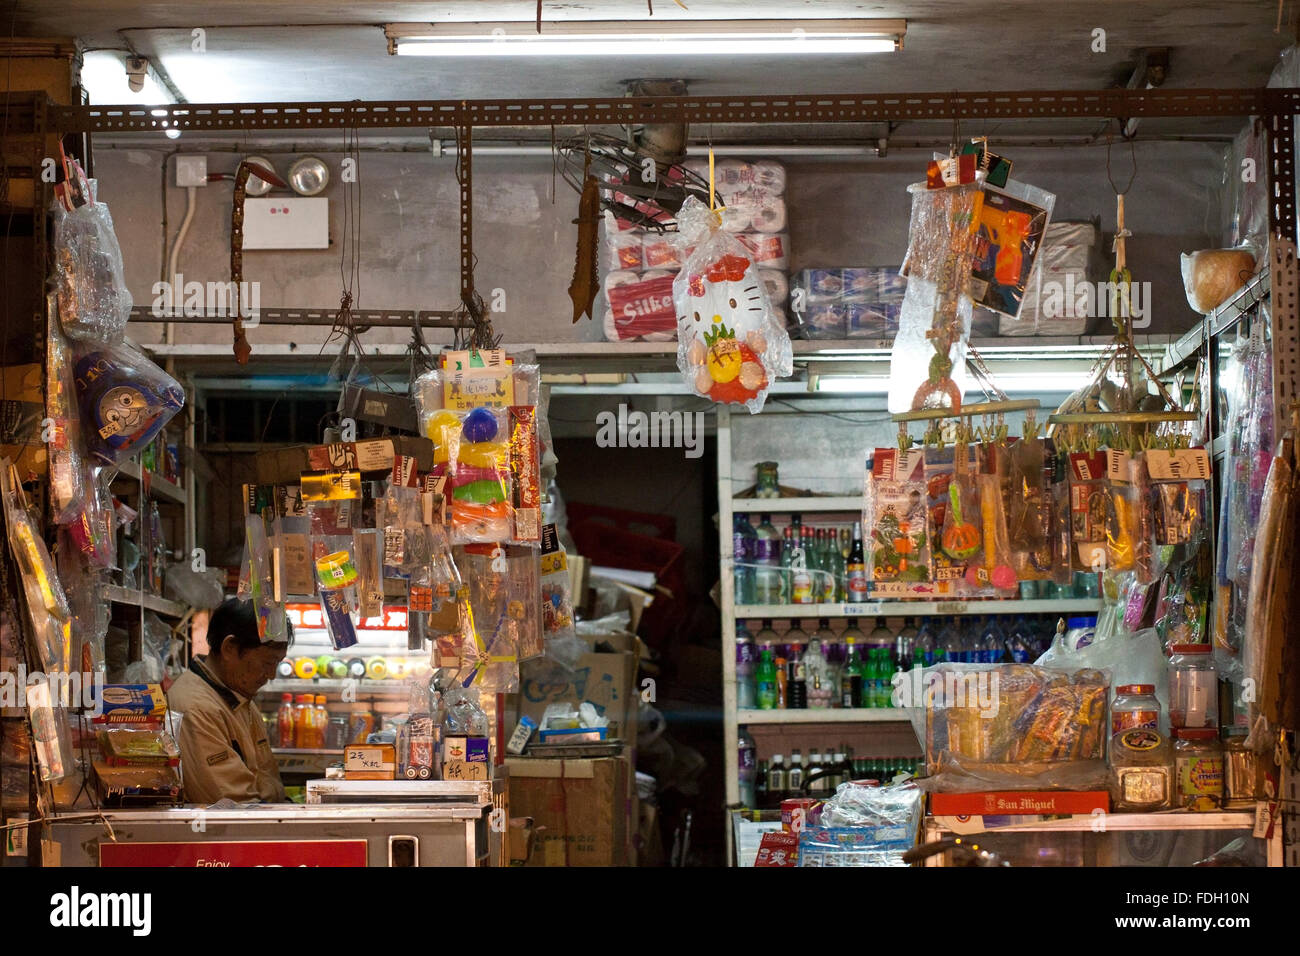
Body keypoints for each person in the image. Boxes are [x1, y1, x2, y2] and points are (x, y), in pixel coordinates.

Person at [167, 598, 290, 804]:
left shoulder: (239, 698)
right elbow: (233, 806)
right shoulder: (196, 708)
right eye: (267, 663)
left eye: (277, 664)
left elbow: (267, 783)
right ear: (229, 648)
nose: (271, 675)